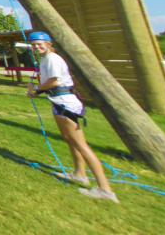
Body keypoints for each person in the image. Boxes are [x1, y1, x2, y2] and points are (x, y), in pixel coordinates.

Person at [26, 31, 118, 203]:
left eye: (39, 43)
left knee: (81, 145)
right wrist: (36, 90)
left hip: (66, 103)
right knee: (69, 138)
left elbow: (54, 80)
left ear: (48, 43)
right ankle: (80, 174)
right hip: (57, 101)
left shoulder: (53, 58)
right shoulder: (45, 60)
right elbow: (49, 83)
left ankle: (105, 190)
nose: (36, 47)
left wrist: (37, 89)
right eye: (33, 44)